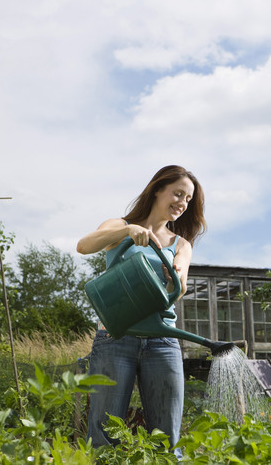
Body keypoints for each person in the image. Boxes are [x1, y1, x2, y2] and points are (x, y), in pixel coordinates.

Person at [77, 165, 206, 457]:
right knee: (103, 435)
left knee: (166, 438)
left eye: (188, 199)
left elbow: (180, 286)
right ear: (158, 189)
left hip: (162, 341)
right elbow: (83, 246)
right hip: (115, 336)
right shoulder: (119, 225)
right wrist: (127, 231)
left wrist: (175, 279)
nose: (182, 203)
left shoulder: (181, 244)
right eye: (178, 193)